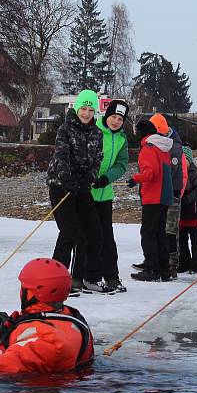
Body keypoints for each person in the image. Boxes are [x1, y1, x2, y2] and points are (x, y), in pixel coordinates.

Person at [0, 258, 94, 374]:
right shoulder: (70, 318)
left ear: (33, 293)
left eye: (24, 288)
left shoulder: (45, 340)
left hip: (37, 389)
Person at [47, 90, 104, 294]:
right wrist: (68, 180)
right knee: (70, 231)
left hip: (82, 186)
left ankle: (80, 278)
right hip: (61, 185)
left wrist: (89, 177)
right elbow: (61, 156)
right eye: (84, 108)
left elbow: (98, 159)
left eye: (91, 109)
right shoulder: (65, 129)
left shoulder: (97, 133)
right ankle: (56, 280)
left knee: (93, 231)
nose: (87, 113)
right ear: (77, 108)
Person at [81, 99, 130, 293]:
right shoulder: (94, 131)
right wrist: (90, 176)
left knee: (107, 238)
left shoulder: (122, 139)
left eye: (120, 119)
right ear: (106, 115)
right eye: (113, 117)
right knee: (90, 236)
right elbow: (84, 156)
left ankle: (111, 277)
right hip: (86, 192)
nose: (116, 121)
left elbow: (121, 164)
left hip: (105, 193)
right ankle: (85, 276)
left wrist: (106, 178)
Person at [129, 119, 174, 282]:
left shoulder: (148, 148)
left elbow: (150, 172)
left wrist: (135, 178)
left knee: (148, 232)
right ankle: (163, 268)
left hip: (154, 196)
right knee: (159, 232)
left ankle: (151, 268)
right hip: (165, 196)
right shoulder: (162, 147)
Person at [146, 113, 187, 280]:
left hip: (170, 195)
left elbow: (175, 173)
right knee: (157, 230)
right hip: (159, 195)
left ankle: (171, 265)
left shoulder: (173, 147)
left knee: (170, 231)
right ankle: (157, 262)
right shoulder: (159, 144)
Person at [178, 146, 197, 275]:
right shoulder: (177, 175)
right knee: (181, 241)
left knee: (195, 240)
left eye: (184, 160)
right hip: (181, 215)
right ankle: (183, 264)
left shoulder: (196, 176)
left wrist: (187, 198)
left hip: (193, 214)